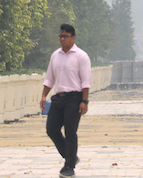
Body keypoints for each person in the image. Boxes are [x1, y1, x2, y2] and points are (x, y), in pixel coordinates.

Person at [40, 23, 91, 177]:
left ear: (73, 38)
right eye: (60, 36)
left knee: (70, 131)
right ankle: (71, 157)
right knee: (52, 129)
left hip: (74, 99)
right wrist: (43, 96)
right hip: (58, 99)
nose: (62, 39)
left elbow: (86, 81)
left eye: (65, 36)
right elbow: (49, 78)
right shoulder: (55, 55)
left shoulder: (81, 56)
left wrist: (85, 101)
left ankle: (69, 167)